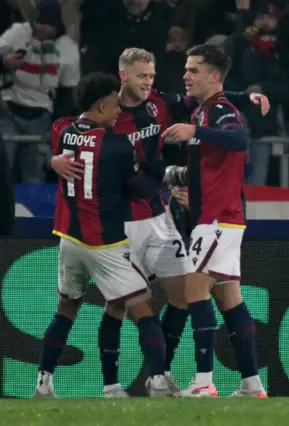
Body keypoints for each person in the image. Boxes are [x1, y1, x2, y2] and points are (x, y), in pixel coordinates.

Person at [47, 47, 270, 397]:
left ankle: (160, 376)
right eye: (142, 77)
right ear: (123, 76)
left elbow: (216, 96)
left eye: (152, 76)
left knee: (184, 296)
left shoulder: (161, 105)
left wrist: (247, 96)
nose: (149, 83)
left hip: (158, 215)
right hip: (121, 222)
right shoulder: (105, 114)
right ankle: (113, 386)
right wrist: (55, 159)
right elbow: (70, 137)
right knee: (119, 305)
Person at [34, 73, 171, 398]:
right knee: (142, 308)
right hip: (105, 242)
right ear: (100, 104)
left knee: (65, 310)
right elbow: (138, 188)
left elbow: (49, 150)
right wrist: (171, 180)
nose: (119, 111)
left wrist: (51, 161)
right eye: (113, 105)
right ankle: (159, 382)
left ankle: (43, 383)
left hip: (70, 239)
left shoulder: (65, 133)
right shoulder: (117, 144)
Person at [161, 44, 266, 398]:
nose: (185, 76)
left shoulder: (218, 110)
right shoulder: (206, 108)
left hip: (217, 220)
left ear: (214, 76)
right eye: (186, 69)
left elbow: (238, 138)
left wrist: (195, 133)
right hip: (219, 218)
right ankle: (251, 384)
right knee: (230, 300)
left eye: (193, 70)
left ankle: (204, 381)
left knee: (194, 292)